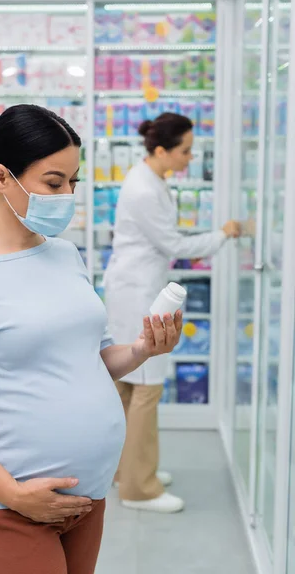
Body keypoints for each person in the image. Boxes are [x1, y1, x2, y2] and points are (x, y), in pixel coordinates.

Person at [0, 104, 183, 574]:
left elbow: (90, 360)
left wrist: (141, 351)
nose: (67, 195)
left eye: (73, 182)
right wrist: (14, 494)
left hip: (86, 499)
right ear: (0, 177)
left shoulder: (64, 255)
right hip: (8, 507)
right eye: (54, 183)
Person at [104, 112, 241, 514]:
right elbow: (175, 245)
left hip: (135, 287)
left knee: (129, 387)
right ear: (161, 150)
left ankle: (125, 471)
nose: (189, 157)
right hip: (138, 293)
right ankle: (139, 489)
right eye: (184, 151)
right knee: (146, 387)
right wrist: (224, 234)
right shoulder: (145, 189)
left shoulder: (150, 178)